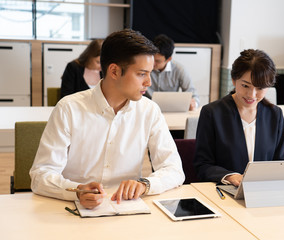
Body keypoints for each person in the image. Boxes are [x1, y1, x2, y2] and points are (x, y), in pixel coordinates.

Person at [30, 29, 185, 209]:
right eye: (141, 74)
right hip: (73, 208)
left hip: (126, 207)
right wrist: (76, 190)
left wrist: (145, 184)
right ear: (114, 71)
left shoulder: (149, 110)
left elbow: (174, 170)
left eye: (150, 73)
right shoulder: (69, 109)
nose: (148, 83)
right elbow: (40, 175)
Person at [194, 49, 284, 186]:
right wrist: (230, 176)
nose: (251, 95)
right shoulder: (212, 113)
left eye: (260, 88)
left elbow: (280, 163)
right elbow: (202, 165)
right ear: (233, 80)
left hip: (264, 193)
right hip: (225, 193)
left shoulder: (275, 115)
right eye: (245, 86)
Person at [145, 34, 199, 111]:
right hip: (147, 109)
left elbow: (193, 94)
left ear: (168, 59)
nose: (153, 63)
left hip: (170, 111)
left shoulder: (179, 70)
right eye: (152, 58)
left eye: (157, 61)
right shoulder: (144, 67)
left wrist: (193, 103)